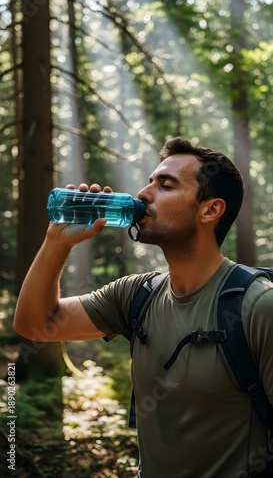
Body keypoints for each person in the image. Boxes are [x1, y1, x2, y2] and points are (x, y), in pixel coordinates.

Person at [14, 136, 273, 478]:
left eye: (165, 186)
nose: (143, 194)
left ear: (210, 209)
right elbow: (35, 325)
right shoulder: (137, 294)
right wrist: (56, 241)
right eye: (149, 181)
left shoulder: (257, 306)